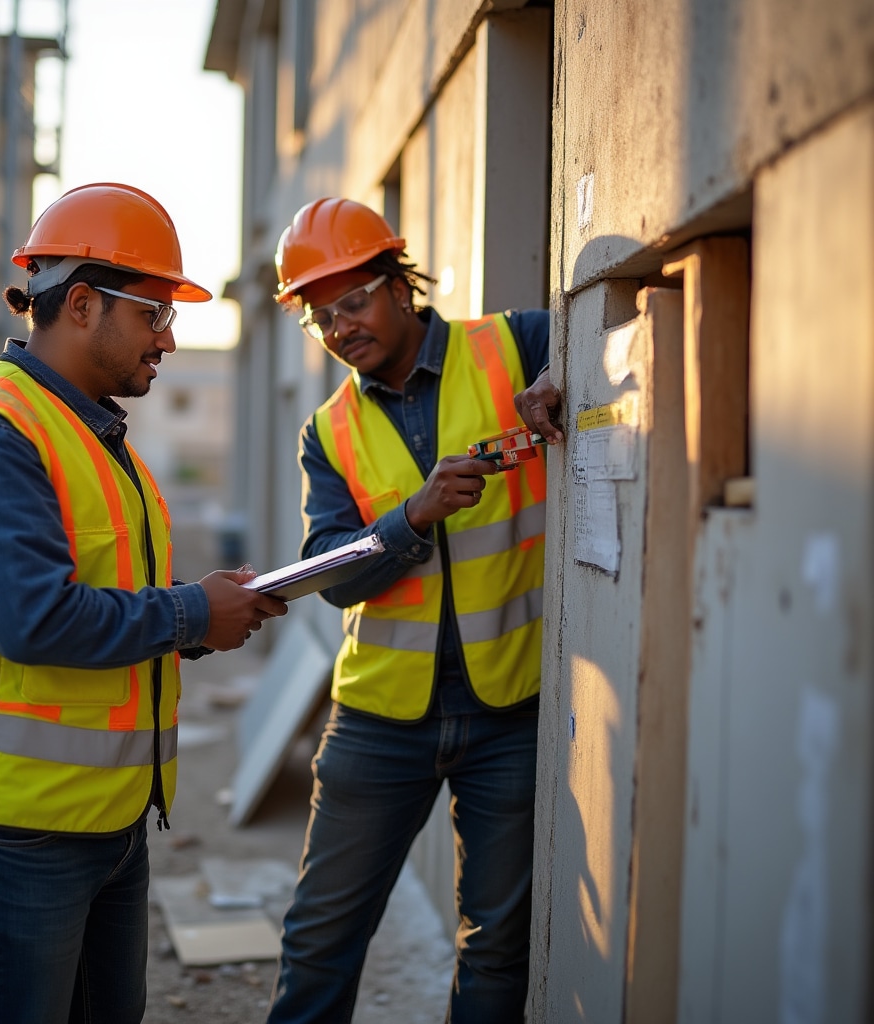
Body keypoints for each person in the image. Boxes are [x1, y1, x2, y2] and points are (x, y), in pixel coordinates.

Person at [0, 182, 288, 1024]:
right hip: (14, 825)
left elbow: (108, 595)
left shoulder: (93, 434)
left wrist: (208, 615)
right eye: (153, 313)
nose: (169, 338)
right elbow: (34, 620)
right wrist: (191, 613)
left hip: (106, 816)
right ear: (79, 305)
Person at [265, 197, 564, 1023]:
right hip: (378, 719)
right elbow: (333, 574)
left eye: (353, 302)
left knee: (497, 943)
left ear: (400, 286)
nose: (340, 328)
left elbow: (601, 343)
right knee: (320, 938)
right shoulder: (327, 432)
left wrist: (557, 377)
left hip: (510, 712)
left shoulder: (515, 344)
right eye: (321, 317)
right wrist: (411, 519)